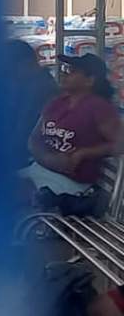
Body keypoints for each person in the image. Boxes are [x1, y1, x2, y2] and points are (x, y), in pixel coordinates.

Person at [21, 53, 120, 204]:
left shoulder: (99, 107)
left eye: (72, 71)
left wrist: (84, 153)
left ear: (90, 80)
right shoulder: (57, 103)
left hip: (70, 185)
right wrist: (48, 159)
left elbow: (120, 144)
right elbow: (34, 139)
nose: (64, 74)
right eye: (65, 69)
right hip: (40, 170)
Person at [6, 40, 57, 170]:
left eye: (9, 68)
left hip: (28, 160)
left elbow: (23, 131)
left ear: (25, 63)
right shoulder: (24, 84)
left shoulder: (42, 89)